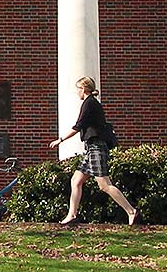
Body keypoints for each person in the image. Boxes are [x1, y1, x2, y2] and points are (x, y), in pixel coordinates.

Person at [49, 76, 140, 226]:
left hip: (97, 147)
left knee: (104, 185)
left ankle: (131, 211)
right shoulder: (90, 103)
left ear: (83, 89)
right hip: (91, 148)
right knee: (76, 181)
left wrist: (60, 140)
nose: (77, 92)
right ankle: (72, 215)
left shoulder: (89, 103)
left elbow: (78, 126)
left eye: (78, 89)